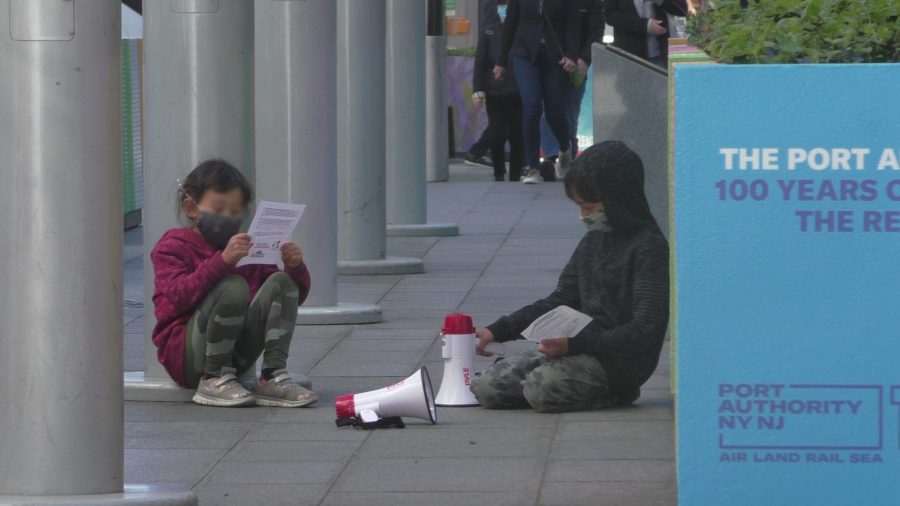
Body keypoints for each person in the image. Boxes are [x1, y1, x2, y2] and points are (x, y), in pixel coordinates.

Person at [469, 141, 669, 412]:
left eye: (589, 207)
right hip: (574, 347)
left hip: (619, 361)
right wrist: (498, 330)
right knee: (487, 387)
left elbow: (645, 329)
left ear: (616, 199)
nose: (583, 216)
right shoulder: (593, 241)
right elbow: (561, 299)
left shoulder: (649, 246)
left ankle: (616, 393)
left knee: (541, 387)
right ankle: (555, 383)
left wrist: (574, 345)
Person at [151, 159, 317, 408]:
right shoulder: (173, 247)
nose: (228, 217)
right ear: (191, 208)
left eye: (235, 211)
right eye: (218, 209)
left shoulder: (247, 248)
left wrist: (295, 268)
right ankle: (212, 378)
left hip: (237, 357)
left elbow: (291, 298)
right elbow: (178, 296)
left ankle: (272, 375)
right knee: (232, 285)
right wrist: (222, 261)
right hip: (187, 358)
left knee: (280, 282)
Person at [495, 0, 581, 185]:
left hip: (555, 58)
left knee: (554, 111)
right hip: (525, 54)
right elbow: (510, 24)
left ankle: (565, 148)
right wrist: (500, 61)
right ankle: (533, 168)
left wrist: (572, 55)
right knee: (532, 107)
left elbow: (574, 25)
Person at [540, 0, 606, 179]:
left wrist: (584, 59)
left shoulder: (593, 4)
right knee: (549, 110)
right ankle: (551, 156)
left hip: (577, 64)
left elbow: (596, 31)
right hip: (553, 60)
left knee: (570, 110)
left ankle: (568, 157)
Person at [473, 0, 525, 182]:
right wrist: (478, 90)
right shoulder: (490, 29)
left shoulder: (522, 29)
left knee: (518, 134)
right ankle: (498, 172)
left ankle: (516, 174)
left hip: (519, 91)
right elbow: (480, 61)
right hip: (495, 92)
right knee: (497, 134)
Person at [605, 0, 688, 66]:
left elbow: (682, 9)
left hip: (660, 54)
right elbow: (610, 16)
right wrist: (645, 25)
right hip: (628, 54)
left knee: (662, 86)